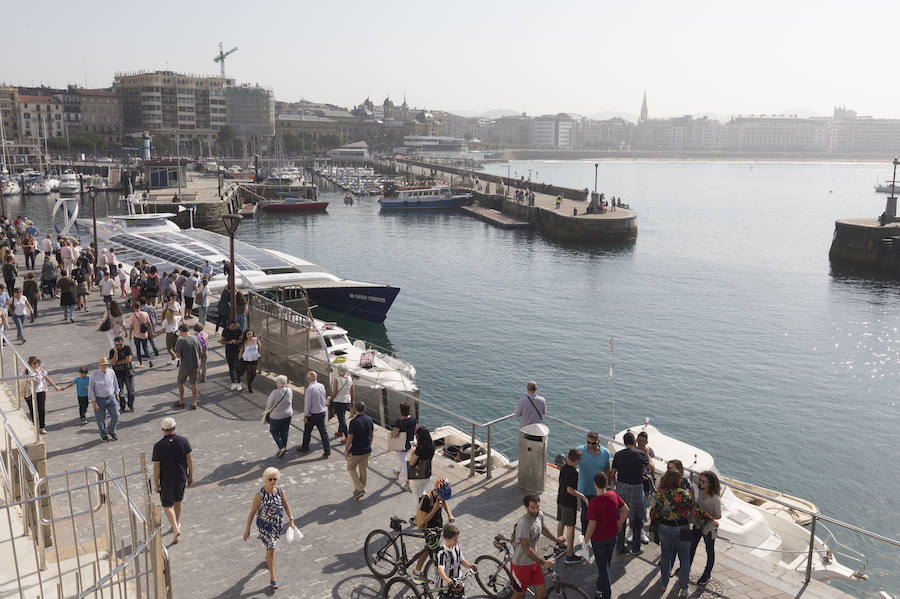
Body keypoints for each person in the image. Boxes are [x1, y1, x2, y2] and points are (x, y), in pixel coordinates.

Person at [650, 470, 710, 597]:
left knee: (665, 557)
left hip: (665, 528)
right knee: (685, 559)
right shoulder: (683, 494)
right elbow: (696, 509)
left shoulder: (659, 494)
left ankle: (664, 583)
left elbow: (653, 512)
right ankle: (684, 588)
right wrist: (709, 520)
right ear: (678, 480)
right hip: (683, 528)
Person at [242, 467, 295, 591]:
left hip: (277, 525)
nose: (272, 481)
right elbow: (252, 512)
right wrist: (247, 529)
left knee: (270, 549)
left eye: (275, 479)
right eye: (270, 479)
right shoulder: (259, 495)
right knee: (271, 547)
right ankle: (273, 578)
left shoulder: (280, 491)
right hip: (264, 526)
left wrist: (291, 520)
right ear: (265, 480)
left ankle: (267, 558)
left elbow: (286, 506)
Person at [510, 494, 564, 599]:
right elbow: (526, 548)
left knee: (542, 594)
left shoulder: (539, 515)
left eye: (538, 507)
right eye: (532, 508)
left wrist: (555, 539)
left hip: (534, 561)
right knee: (519, 595)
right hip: (521, 565)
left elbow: (542, 528)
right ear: (526, 507)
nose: (536, 510)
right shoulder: (524, 523)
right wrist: (543, 563)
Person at [584, 472, 628, 599]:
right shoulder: (613, 495)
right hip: (612, 536)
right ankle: (599, 586)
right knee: (606, 563)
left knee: (602, 566)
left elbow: (592, 524)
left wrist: (586, 540)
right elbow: (626, 509)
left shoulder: (593, 503)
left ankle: (606, 594)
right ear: (606, 483)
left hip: (598, 539)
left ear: (594, 484)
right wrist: (619, 523)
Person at [152, 417, 193, 544]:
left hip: (166, 480)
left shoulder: (158, 446)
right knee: (178, 500)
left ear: (162, 429)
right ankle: (176, 523)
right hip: (181, 477)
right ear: (174, 428)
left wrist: (156, 483)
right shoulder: (184, 441)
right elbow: (189, 461)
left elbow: (156, 467)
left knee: (167, 505)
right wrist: (191, 475)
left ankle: (175, 527)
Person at [611, 431, 649, 555]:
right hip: (637, 489)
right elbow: (650, 467)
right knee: (637, 519)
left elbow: (612, 473)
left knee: (620, 517)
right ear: (634, 442)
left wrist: (616, 483)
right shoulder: (641, 454)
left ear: (624, 442)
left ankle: (620, 546)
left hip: (621, 488)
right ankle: (636, 548)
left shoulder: (618, 455)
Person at [412, 478, 455, 581]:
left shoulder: (440, 496)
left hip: (438, 527)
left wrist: (449, 514)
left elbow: (444, 502)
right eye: (442, 496)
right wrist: (435, 509)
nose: (442, 499)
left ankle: (434, 567)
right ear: (437, 490)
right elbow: (424, 518)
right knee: (428, 549)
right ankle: (417, 572)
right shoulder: (427, 499)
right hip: (429, 529)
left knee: (432, 549)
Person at [689, 470, 722, 586]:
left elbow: (718, 516)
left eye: (703, 481)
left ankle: (707, 574)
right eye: (700, 480)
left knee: (709, 551)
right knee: (691, 547)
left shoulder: (715, 498)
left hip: (709, 528)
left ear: (710, 483)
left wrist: (705, 516)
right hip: (697, 525)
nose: (700, 483)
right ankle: (686, 568)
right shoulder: (701, 491)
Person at [577, 431, 612, 535]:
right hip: (584, 490)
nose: (590, 445)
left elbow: (607, 470)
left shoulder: (605, 453)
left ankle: (596, 536)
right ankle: (585, 537)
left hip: (599, 491)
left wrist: (607, 485)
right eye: (588, 442)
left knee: (598, 516)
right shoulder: (580, 450)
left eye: (593, 443)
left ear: (598, 442)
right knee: (585, 515)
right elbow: (571, 463)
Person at [556, 448, 587, 564]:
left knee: (561, 521)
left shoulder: (563, 467)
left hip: (560, 499)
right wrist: (582, 496)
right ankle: (569, 555)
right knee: (570, 527)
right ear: (577, 460)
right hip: (569, 502)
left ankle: (559, 545)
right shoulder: (574, 472)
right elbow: (570, 490)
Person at [435, 524, 477, 593]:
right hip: (447, 585)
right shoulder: (442, 553)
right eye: (454, 539)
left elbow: (461, 559)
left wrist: (469, 565)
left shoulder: (457, 546)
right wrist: (447, 579)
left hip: (458, 581)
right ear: (447, 539)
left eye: (457, 538)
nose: (457, 541)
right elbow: (440, 569)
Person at [23, 356, 61, 434]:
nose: (36, 364)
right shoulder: (26, 371)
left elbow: (47, 378)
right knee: (32, 409)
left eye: (37, 362)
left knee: (41, 409)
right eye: (34, 363)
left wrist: (55, 386)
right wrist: (31, 376)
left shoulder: (40, 370)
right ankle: (35, 425)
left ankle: (42, 427)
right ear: (30, 364)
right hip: (30, 392)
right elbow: (25, 380)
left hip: (41, 391)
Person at [297, 371, 330, 457]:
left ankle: (305, 447)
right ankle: (327, 450)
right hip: (321, 412)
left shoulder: (309, 389)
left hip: (312, 414)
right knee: (323, 433)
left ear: (308, 379)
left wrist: (306, 415)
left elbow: (307, 404)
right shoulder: (321, 386)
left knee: (307, 431)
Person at [345, 401, 373, 500]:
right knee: (363, 469)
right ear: (364, 409)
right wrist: (369, 444)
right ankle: (360, 489)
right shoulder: (369, 420)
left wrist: (346, 450)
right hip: (367, 449)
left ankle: (360, 488)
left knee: (350, 468)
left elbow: (349, 438)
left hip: (357, 450)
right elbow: (371, 434)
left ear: (355, 409)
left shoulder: (354, 422)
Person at [88, 357, 120, 442]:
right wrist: (93, 401)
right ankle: (103, 435)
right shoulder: (94, 375)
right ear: (99, 365)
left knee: (116, 415)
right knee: (100, 419)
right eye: (102, 365)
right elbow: (91, 389)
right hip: (99, 399)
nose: (104, 366)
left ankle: (111, 430)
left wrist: (117, 394)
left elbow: (115, 383)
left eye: (105, 365)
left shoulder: (111, 372)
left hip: (111, 397)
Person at [173, 324, 201, 410]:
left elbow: (177, 355)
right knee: (194, 383)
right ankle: (194, 402)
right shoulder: (195, 338)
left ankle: (181, 400)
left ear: (181, 331)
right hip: (195, 364)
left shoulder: (181, 340)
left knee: (180, 382)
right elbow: (200, 351)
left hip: (185, 365)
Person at [391, 401, 417, 490]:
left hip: (400, 445)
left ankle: (407, 483)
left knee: (404, 462)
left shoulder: (399, 422)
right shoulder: (413, 419)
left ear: (400, 410)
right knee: (402, 459)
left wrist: (392, 435)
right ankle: (397, 472)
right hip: (409, 443)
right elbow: (415, 431)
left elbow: (394, 434)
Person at [266, 375, 293, 457]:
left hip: (276, 417)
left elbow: (269, 405)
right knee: (284, 432)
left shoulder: (275, 392)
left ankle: (281, 447)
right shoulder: (289, 390)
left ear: (278, 383)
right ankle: (283, 447)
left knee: (274, 431)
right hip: (288, 414)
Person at [407, 426, 435, 500]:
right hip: (427, 473)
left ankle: (422, 510)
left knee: (418, 497)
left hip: (418, 475)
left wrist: (412, 451)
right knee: (422, 492)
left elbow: (412, 462)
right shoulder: (432, 445)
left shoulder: (420, 449)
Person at [108, 336, 136, 412]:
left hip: (128, 372)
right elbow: (113, 362)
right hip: (118, 374)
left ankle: (130, 405)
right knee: (120, 391)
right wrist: (116, 352)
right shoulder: (112, 351)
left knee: (131, 390)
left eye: (120, 344)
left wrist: (118, 362)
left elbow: (128, 360)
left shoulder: (127, 348)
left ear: (123, 342)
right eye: (117, 345)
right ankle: (122, 405)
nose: (119, 346)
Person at [328, 364, 353, 439]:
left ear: (339, 371)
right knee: (342, 416)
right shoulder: (350, 378)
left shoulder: (337, 379)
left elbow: (335, 392)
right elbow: (352, 391)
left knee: (342, 420)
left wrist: (330, 399)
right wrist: (352, 401)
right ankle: (340, 432)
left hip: (339, 402)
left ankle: (348, 437)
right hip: (347, 401)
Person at [128, 300, 153, 368]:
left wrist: (130, 336)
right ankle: (149, 359)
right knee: (145, 348)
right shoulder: (145, 314)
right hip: (144, 334)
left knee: (138, 349)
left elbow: (131, 327)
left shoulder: (132, 316)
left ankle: (140, 363)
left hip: (137, 335)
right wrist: (151, 332)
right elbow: (149, 324)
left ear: (134, 308)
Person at [221, 320, 243, 390]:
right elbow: (222, 341)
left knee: (237, 367)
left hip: (237, 351)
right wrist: (229, 342)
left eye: (235, 326)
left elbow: (241, 341)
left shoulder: (239, 331)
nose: (234, 328)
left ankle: (238, 383)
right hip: (229, 351)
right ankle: (233, 382)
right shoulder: (225, 331)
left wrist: (236, 341)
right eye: (233, 326)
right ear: (229, 325)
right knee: (231, 367)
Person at [240, 328, 260, 393]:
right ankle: (249, 386)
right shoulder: (244, 342)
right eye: (248, 334)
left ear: (252, 334)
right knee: (249, 372)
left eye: (250, 334)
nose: (249, 335)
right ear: (246, 335)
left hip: (254, 358)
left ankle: (249, 383)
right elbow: (242, 350)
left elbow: (260, 347)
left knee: (254, 373)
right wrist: (239, 358)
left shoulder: (256, 340)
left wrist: (258, 354)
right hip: (247, 359)